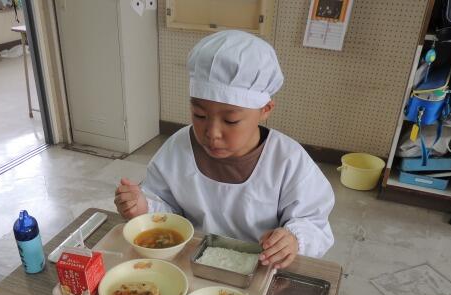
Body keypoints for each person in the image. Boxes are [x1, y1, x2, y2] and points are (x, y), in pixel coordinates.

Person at [115, 30, 334, 267]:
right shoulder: (178, 148)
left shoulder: (288, 160)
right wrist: (143, 206)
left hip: (261, 265)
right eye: (199, 115)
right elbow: (164, 207)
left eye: (231, 120)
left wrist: (293, 239)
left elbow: (313, 222)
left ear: (265, 109)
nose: (212, 132)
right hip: (191, 260)